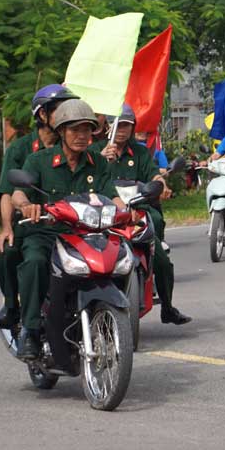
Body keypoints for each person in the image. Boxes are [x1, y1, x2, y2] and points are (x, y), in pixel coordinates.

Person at [11, 99, 126, 360]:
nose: (82, 136)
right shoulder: (38, 161)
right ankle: (29, 329)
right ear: (61, 131)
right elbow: (18, 194)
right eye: (75, 130)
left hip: (86, 235)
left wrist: (129, 212)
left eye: (87, 130)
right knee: (35, 262)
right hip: (47, 234)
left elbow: (113, 196)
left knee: (119, 257)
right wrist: (28, 205)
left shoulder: (98, 162)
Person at [91, 104, 190, 325]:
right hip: (102, 215)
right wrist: (99, 159)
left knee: (162, 258)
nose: (122, 130)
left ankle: (167, 306)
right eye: (118, 125)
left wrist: (161, 184)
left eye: (126, 125)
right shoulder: (94, 152)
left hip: (137, 211)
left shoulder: (141, 152)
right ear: (108, 126)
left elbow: (154, 176)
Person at [0, 84, 76, 330]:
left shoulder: (74, 144)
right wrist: (7, 228)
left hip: (72, 223)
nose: (68, 116)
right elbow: (7, 192)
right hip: (32, 223)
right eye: (61, 110)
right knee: (6, 252)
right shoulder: (20, 148)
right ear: (42, 115)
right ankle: (13, 308)